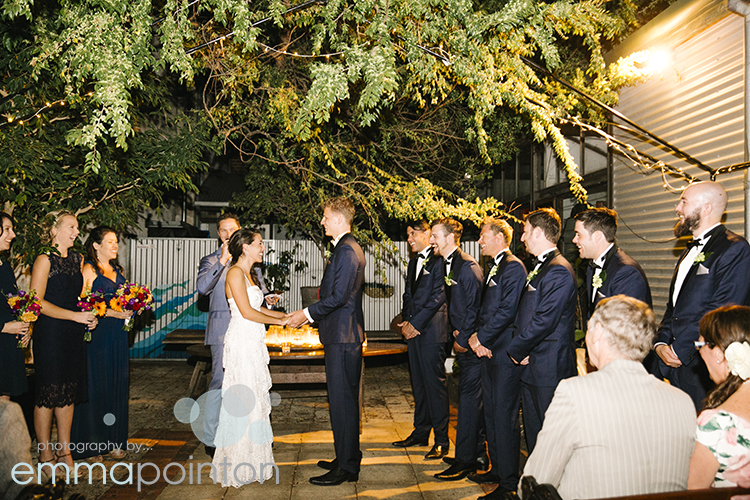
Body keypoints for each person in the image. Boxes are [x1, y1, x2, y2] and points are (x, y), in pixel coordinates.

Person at [520, 296, 696, 500]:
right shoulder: (682, 401)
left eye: (588, 328)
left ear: (598, 333)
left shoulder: (574, 393)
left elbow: (536, 480)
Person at [287, 197, 366, 486]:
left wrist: (304, 314)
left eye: (325, 217)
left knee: (342, 402)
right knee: (343, 401)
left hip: (343, 338)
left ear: (339, 220)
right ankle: (347, 455)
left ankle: (347, 468)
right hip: (342, 336)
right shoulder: (346, 248)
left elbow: (337, 298)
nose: (322, 222)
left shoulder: (347, 250)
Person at [654, 181, 750, 410]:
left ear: (706, 208)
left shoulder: (735, 249)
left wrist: (680, 350)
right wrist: (660, 342)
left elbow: (721, 310)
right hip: (672, 365)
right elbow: (675, 306)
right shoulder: (689, 250)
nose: (677, 208)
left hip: (702, 368)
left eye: (684, 201)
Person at [209, 228, 288, 487]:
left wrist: (287, 316)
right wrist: (284, 321)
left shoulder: (249, 274)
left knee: (255, 399)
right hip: (241, 342)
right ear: (245, 247)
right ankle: (237, 465)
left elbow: (259, 309)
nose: (263, 247)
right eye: (260, 243)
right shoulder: (233, 272)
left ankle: (254, 462)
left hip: (253, 341)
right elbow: (246, 312)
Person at [30, 211, 97, 474]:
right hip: (50, 331)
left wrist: (89, 316)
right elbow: (36, 302)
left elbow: (80, 297)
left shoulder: (78, 259)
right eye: (71, 226)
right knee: (48, 392)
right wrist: (74, 316)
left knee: (68, 390)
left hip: (73, 331)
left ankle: (64, 450)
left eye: (77, 227)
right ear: (55, 229)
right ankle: (45, 454)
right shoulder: (44, 259)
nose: (76, 231)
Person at [507, 207, 576, 453]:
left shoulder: (558, 269)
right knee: (535, 438)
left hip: (549, 368)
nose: (522, 238)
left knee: (551, 440)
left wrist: (516, 348)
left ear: (537, 232)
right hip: (533, 365)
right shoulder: (541, 266)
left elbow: (545, 320)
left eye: (525, 232)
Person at [468, 218, 527, 498]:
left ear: (500, 238)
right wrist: (480, 338)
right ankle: (497, 467)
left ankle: (508, 481)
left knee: (504, 416)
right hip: (490, 351)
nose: (480, 241)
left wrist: (483, 339)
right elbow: (487, 309)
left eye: (483, 236)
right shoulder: (497, 266)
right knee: (490, 412)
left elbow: (506, 311)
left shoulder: (514, 267)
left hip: (503, 353)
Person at [70, 227, 133, 460]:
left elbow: (124, 297)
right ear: (96, 245)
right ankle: (91, 444)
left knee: (116, 385)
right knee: (97, 386)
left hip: (117, 335)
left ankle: (114, 440)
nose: (115, 245)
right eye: (110, 241)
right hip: (97, 335)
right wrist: (112, 313)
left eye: (116, 241)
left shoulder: (117, 269)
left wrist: (131, 308)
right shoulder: (89, 269)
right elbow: (83, 303)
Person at [431, 218, 485, 481]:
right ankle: (471, 454)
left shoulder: (467, 267)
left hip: (472, 347)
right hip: (461, 339)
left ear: (451, 237)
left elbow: (476, 308)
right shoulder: (448, 263)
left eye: (435, 236)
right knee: (467, 403)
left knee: (468, 403)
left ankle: (467, 460)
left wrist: (462, 338)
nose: (431, 241)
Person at [393, 220, 450, 459]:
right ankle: (420, 432)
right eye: (407, 235)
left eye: (412, 234)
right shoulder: (415, 261)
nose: (409, 239)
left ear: (427, 234)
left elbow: (439, 296)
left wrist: (415, 325)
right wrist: (406, 321)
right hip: (414, 332)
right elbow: (408, 294)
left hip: (432, 333)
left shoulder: (440, 261)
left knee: (434, 387)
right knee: (419, 385)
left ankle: (442, 440)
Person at [688, 305, 750, 488]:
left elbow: (691, 492)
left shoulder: (718, 423)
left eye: (700, 345)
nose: (698, 352)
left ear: (717, 354)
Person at [196, 212, 241, 458]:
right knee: (219, 384)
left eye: (232, 229)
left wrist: (267, 297)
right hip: (221, 331)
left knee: (243, 381)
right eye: (223, 230)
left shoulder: (248, 257)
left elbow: (260, 287)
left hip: (246, 330)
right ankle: (211, 437)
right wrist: (222, 262)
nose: (227, 234)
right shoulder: (210, 260)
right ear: (218, 234)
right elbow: (202, 289)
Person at [573, 207, 652, 321]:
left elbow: (627, 326)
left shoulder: (627, 273)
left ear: (597, 237)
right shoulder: (592, 266)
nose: (574, 240)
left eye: (578, 235)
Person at [0, 212, 31, 401]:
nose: (12, 235)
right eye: (7, 230)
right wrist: (4, 327)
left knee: (5, 406)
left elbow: (11, 304)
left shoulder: (5, 267)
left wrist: (22, 327)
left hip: (7, 345)